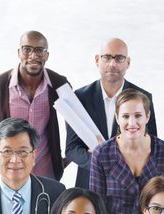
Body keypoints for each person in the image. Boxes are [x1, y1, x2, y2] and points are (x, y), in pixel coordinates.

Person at [65, 38, 157, 189]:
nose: (112, 64)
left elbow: (150, 146)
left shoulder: (143, 97)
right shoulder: (81, 97)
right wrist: (100, 162)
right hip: (89, 186)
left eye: (119, 58)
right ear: (97, 60)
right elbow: (72, 149)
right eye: (107, 57)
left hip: (129, 187)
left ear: (128, 62)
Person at [0, 30, 71, 180]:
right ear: (19, 52)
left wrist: (66, 159)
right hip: (10, 175)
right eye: (27, 49)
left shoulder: (59, 84)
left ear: (46, 55)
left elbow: (75, 124)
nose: (33, 56)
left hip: (45, 174)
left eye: (39, 50)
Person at [90, 88, 164, 214]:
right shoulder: (101, 154)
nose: (131, 123)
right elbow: (97, 202)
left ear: (147, 116)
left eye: (138, 116)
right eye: (125, 116)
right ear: (117, 118)